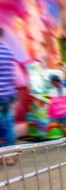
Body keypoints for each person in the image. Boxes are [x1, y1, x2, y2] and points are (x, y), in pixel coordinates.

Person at [0, 27, 17, 165]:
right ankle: (9, 155)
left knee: (3, 126)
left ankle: (4, 154)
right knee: (9, 125)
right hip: (9, 94)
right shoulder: (8, 52)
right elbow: (12, 76)